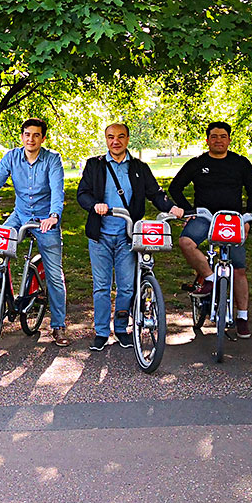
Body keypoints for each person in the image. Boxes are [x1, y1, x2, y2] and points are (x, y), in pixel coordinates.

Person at [77, 124, 184, 351]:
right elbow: (82, 194)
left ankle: (123, 328)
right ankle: (101, 332)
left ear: (127, 139)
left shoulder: (138, 168)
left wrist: (171, 208)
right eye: (111, 137)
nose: (116, 141)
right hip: (100, 235)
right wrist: (95, 205)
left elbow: (155, 193)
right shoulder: (94, 165)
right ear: (106, 140)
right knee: (101, 286)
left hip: (128, 235)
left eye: (120, 137)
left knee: (126, 286)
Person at [0, 118, 69, 347]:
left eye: (36, 135)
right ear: (22, 136)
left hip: (44, 218)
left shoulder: (52, 159)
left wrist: (54, 216)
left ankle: (58, 325)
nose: (31, 139)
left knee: (54, 274)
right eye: (27, 134)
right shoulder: (11, 157)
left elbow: (57, 191)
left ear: (43, 138)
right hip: (19, 215)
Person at [169, 121, 252, 339]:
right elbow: (175, 187)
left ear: (229, 139)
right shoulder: (197, 163)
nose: (218, 140)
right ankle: (209, 279)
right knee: (185, 242)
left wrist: (249, 219)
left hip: (233, 221)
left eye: (222, 136)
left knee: (238, 268)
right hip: (204, 217)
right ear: (207, 140)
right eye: (214, 136)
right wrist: (188, 211)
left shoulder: (240, 163)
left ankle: (242, 317)